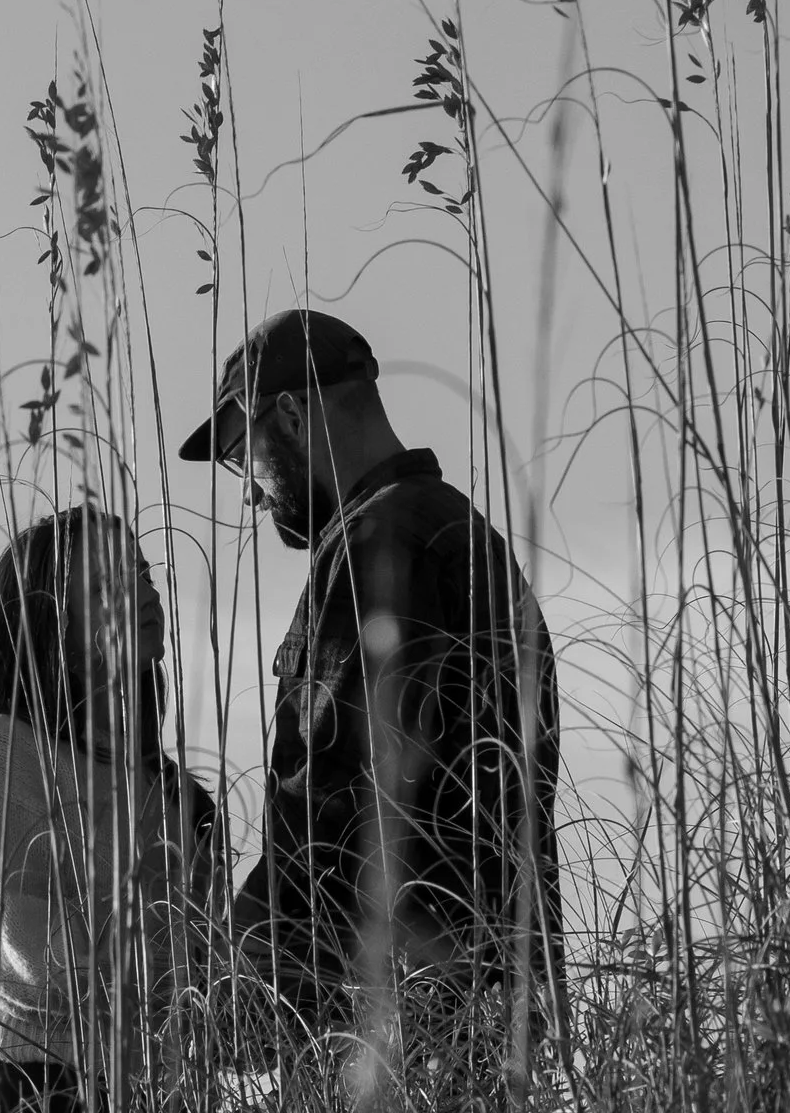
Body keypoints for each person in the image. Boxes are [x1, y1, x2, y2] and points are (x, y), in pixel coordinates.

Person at [179, 310, 560, 1034]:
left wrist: (233, 981)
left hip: (386, 1027)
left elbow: (327, 807)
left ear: (290, 414)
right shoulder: (464, 533)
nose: (248, 492)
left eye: (241, 453)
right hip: (481, 1007)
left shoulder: (368, 551)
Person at [0, 504, 217, 1113]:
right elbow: (24, 946)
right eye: (112, 581)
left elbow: (202, 975)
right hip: (27, 1100)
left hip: (153, 1110)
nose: (145, 592)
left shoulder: (176, 794)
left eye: (145, 574)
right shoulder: (3, 751)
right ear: (51, 619)